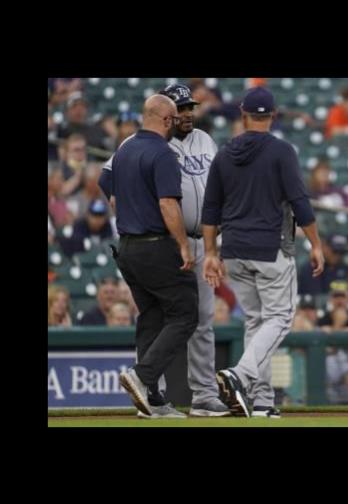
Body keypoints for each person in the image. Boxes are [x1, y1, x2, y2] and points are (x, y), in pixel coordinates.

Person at [103, 84, 230, 418]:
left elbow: (220, 186)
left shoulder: (205, 140)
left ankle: (200, 396)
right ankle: (147, 384)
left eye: (189, 108)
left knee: (196, 319)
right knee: (180, 315)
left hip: (199, 239)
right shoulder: (150, 144)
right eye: (180, 109)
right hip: (167, 242)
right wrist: (123, 202)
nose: (186, 114)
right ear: (167, 115)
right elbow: (108, 178)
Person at [202, 87, 325, 418]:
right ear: (273, 116)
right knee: (280, 319)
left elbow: (210, 208)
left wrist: (210, 252)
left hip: (233, 250)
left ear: (243, 116)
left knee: (256, 323)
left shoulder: (224, 153)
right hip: (270, 248)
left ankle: (262, 401)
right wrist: (316, 244)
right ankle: (240, 375)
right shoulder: (282, 151)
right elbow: (300, 202)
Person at [97, 94, 197, 420]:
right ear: (166, 120)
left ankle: (152, 400)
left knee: (152, 316)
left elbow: (106, 183)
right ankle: (142, 376)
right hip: (155, 245)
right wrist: (183, 244)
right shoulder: (162, 153)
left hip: (127, 247)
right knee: (185, 314)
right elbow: (168, 204)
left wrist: (127, 207)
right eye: (174, 119)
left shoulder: (125, 149)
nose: (176, 124)